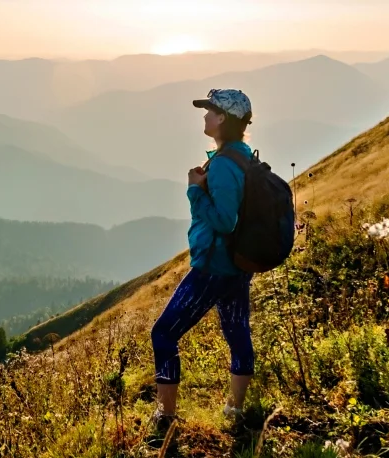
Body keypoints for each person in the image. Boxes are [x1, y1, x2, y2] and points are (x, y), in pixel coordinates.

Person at [147, 88, 256, 445]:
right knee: (237, 334)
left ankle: (166, 416)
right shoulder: (242, 157)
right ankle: (235, 411)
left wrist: (195, 191)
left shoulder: (225, 164)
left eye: (210, 111)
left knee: (163, 334)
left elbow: (224, 220)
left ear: (224, 118)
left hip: (213, 266)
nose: (205, 117)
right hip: (237, 265)